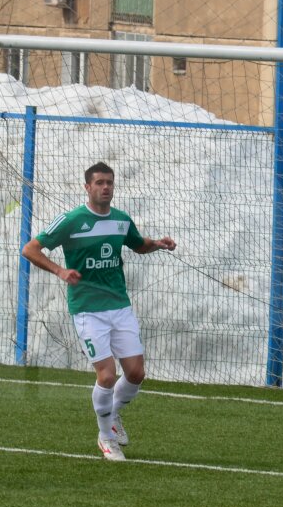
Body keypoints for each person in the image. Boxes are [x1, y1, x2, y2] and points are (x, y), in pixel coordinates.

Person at [22, 162, 176, 462]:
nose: (106, 187)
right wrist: (60, 270)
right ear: (87, 187)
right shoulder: (72, 220)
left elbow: (137, 244)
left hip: (119, 306)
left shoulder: (120, 219)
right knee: (107, 376)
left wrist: (157, 244)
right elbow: (30, 249)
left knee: (136, 373)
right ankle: (106, 437)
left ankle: (114, 415)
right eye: (100, 183)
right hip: (88, 310)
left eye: (110, 183)